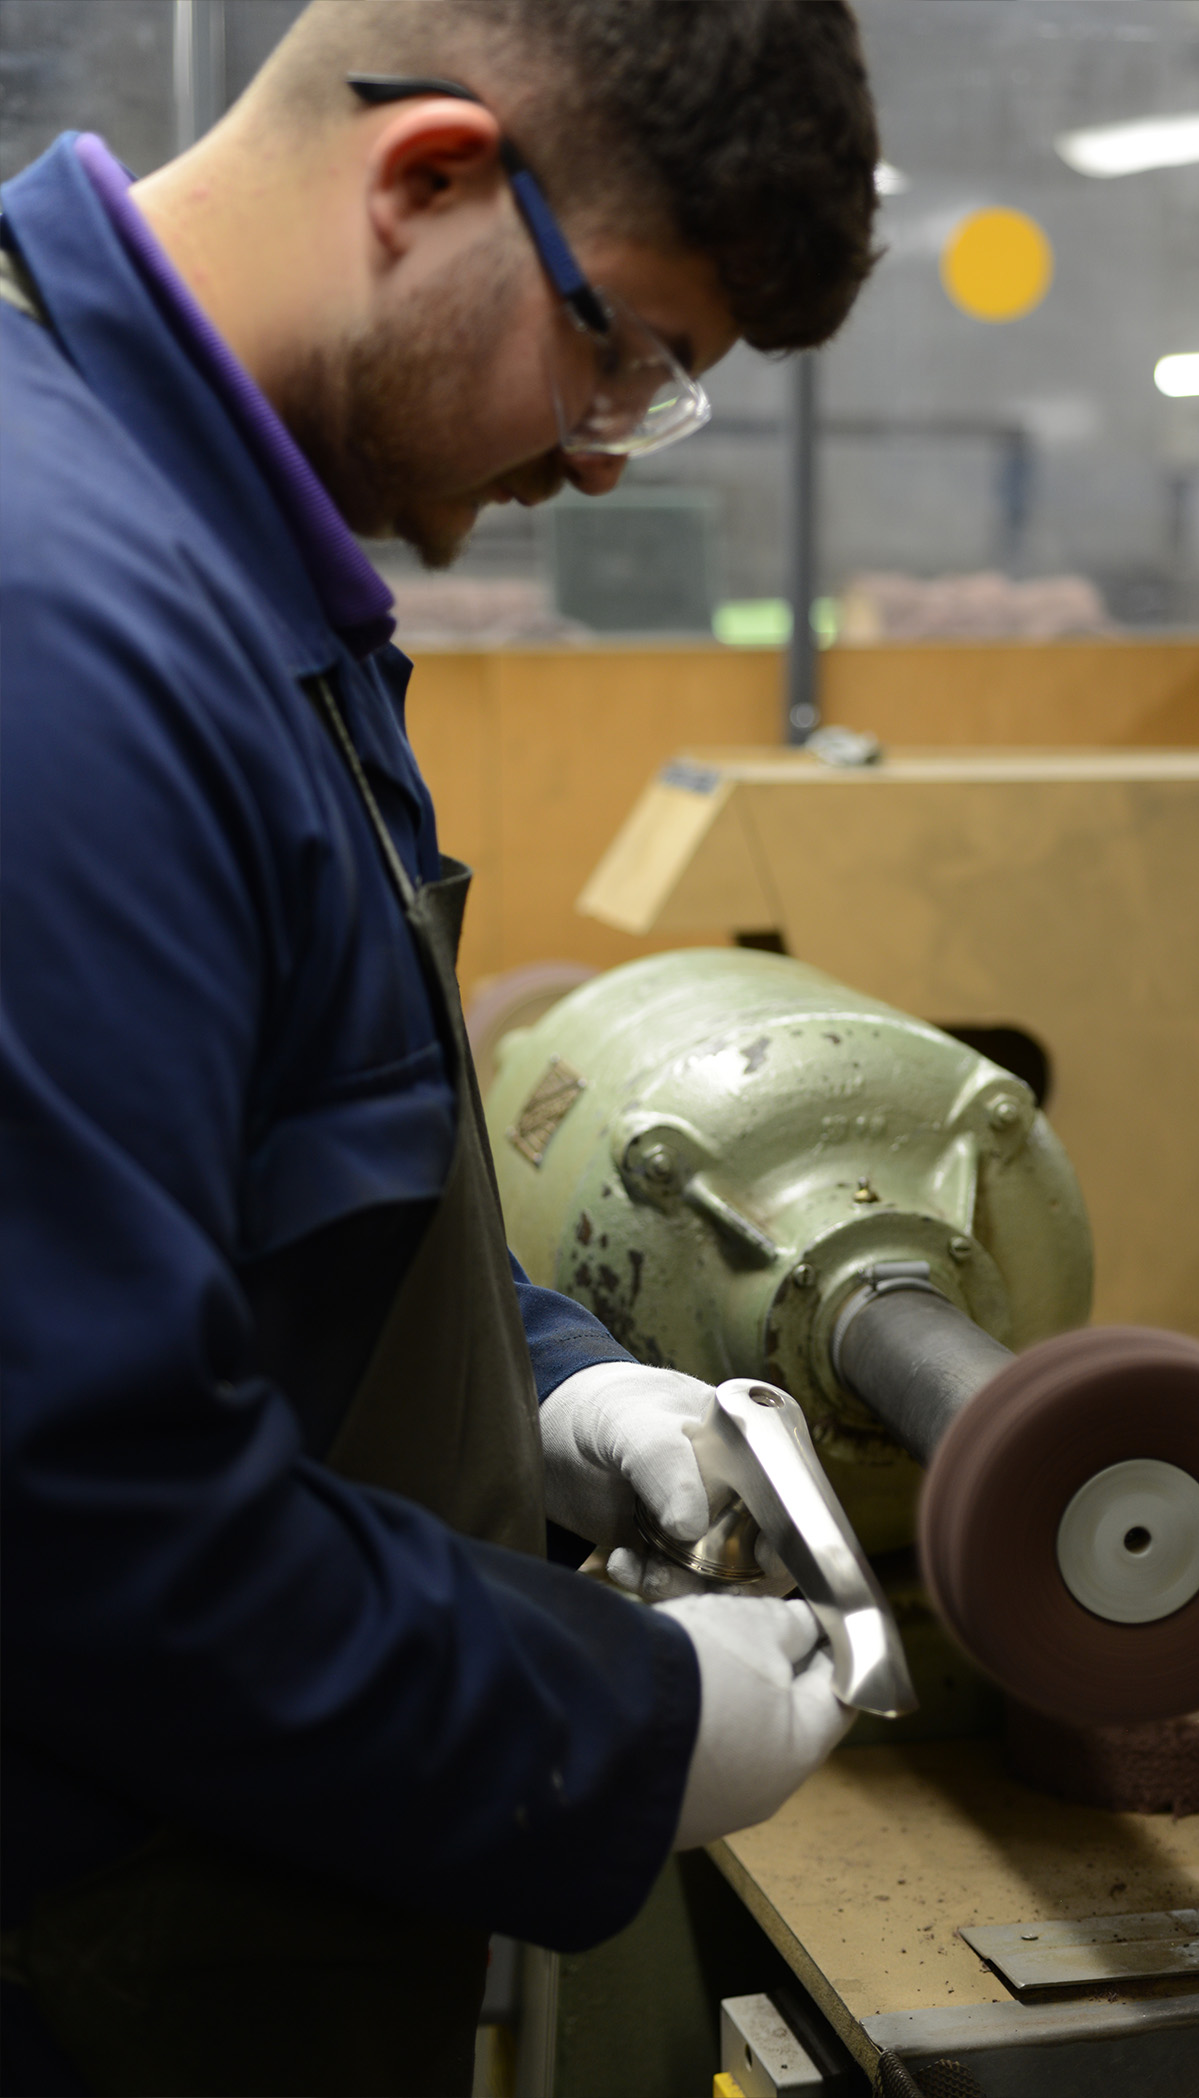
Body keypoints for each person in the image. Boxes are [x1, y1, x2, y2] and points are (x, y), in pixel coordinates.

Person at [0, 3, 880, 2091]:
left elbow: (260, 1185)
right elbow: (78, 1508)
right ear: (429, 179)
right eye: (619, 352)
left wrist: (558, 1387)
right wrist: (621, 1723)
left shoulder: (240, 580)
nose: (604, 455)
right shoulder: (59, 627)